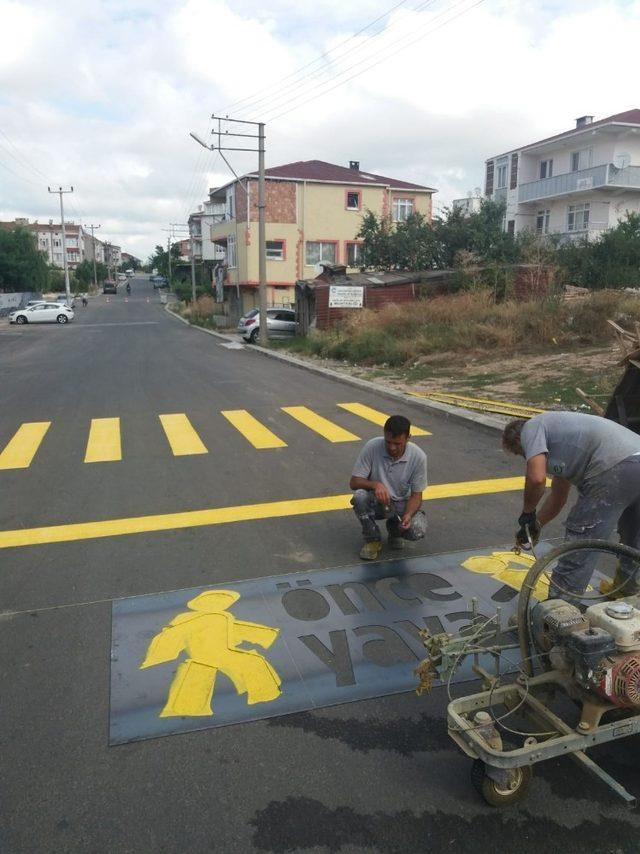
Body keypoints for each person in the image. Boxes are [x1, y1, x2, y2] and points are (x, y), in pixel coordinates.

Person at [502, 412, 640, 602]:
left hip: (615, 466)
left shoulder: (531, 428)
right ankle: (628, 594)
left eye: (520, 452)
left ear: (518, 438)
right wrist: (536, 524)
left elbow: (536, 479)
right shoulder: (564, 445)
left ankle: (558, 612)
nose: (525, 456)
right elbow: (559, 497)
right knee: (635, 537)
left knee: (580, 544)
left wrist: (527, 512)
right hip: (635, 458)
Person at [350, 414, 428, 561]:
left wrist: (408, 515)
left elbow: (417, 496)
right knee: (360, 496)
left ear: (408, 437)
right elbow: (354, 482)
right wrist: (375, 484)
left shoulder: (418, 457)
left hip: (400, 504)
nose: (392, 447)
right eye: (388, 441)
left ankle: (395, 530)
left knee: (417, 530)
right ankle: (372, 539)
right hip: (378, 502)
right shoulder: (372, 447)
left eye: (397, 443)